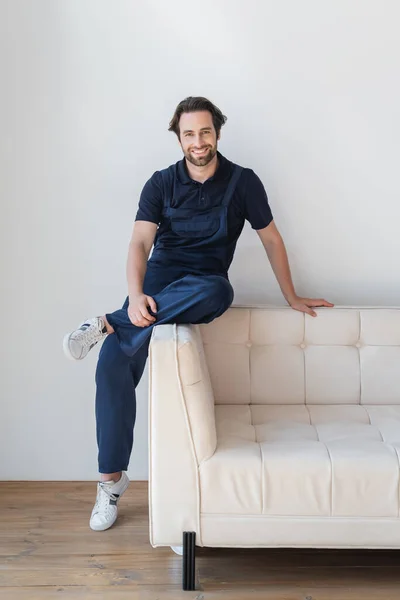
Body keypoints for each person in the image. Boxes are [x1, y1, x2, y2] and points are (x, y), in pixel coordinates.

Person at [63, 96, 334, 531]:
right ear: (179, 138)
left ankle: (107, 323)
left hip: (203, 286)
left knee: (216, 289)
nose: (198, 141)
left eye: (205, 132)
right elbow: (138, 245)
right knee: (112, 362)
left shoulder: (244, 182)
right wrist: (135, 296)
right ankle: (109, 484)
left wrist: (292, 296)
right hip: (156, 287)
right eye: (189, 133)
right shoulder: (160, 183)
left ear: (217, 134)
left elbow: (271, 240)